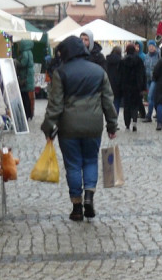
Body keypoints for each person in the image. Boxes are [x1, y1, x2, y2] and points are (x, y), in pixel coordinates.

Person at [40, 35, 117, 221]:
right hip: (93, 125)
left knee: (73, 164)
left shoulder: (61, 72)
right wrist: (112, 125)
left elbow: (55, 105)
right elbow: (108, 100)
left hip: (69, 128)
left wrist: (48, 127)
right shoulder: (98, 71)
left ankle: (77, 207)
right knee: (91, 160)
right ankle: (89, 197)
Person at [119, 43, 147, 130]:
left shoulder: (123, 61)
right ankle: (134, 122)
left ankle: (127, 124)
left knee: (126, 106)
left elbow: (120, 75)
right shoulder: (139, 60)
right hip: (136, 86)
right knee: (135, 105)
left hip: (126, 87)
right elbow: (143, 74)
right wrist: (143, 87)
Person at [14, 38, 36, 121]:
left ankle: (26, 114)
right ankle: (29, 113)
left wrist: (16, 61)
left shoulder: (25, 53)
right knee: (27, 96)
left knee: (25, 96)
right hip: (28, 77)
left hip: (25, 78)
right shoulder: (30, 52)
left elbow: (23, 63)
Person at [142, 40, 159, 123]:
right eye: (149, 46)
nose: (151, 48)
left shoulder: (158, 55)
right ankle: (158, 113)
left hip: (155, 79)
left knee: (150, 96)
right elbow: (145, 66)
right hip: (148, 79)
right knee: (153, 97)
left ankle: (149, 115)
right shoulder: (146, 56)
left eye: (152, 46)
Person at [105, 45, 123, 116]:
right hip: (118, 83)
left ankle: (109, 116)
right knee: (117, 101)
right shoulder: (121, 61)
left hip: (109, 82)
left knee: (109, 101)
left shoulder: (107, 59)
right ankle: (115, 117)